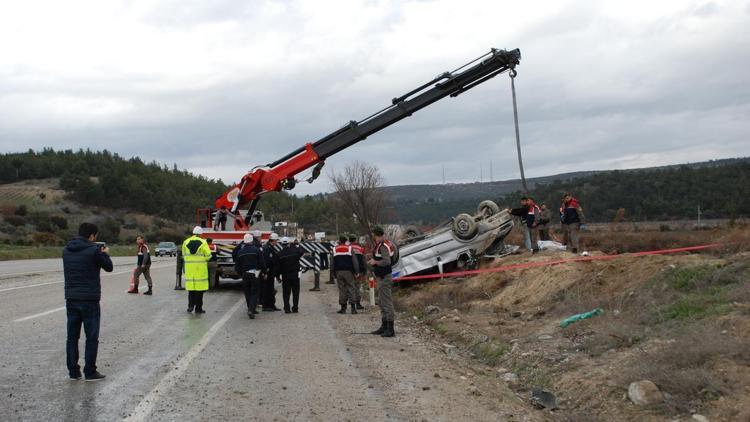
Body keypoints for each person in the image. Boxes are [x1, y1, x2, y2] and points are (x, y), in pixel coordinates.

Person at [63, 222, 113, 381]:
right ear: (92, 235)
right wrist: (105, 253)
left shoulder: (66, 250)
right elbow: (109, 267)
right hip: (89, 299)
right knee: (91, 337)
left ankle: (73, 372)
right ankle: (90, 371)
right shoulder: (94, 251)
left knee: (72, 337)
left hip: (71, 298)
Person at [368, 226, 397, 338]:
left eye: (374, 235)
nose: (374, 237)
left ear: (376, 235)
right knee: (382, 302)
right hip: (381, 276)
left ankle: (390, 329)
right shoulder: (383, 244)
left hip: (385, 277)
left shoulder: (383, 246)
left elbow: (386, 261)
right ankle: (384, 326)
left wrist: (375, 262)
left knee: (386, 303)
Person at [234, 234, 266, 319]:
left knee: (247, 292)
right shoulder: (257, 250)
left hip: (245, 274)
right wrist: (264, 272)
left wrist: (241, 273)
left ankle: (250, 308)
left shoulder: (240, 252)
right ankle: (251, 309)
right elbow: (262, 262)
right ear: (251, 241)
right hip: (255, 274)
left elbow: (237, 266)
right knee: (254, 292)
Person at [183, 226, 212, 314]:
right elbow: (208, 256)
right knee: (199, 291)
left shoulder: (185, 242)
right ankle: (198, 309)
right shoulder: (203, 242)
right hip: (200, 270)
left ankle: (190, 306)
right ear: (200, 234)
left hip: (190, 270)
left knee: (191, 290)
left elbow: (184, 255)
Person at [274, 237, 305, 313]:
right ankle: (295, 308)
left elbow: (277, 268)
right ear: (289, 243)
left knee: (286, 293)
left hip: (285, 276)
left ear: (281, 244)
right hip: (295, 275)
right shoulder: (295, 251)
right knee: (295, 292)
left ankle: (287, 308)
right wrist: (295, 245)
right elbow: (302, 251)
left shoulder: (279, 254)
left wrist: (278, 277)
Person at [332, 235, 361, 315]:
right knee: (351, 288)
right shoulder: (349, 248)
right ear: (345, 241)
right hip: (348, 272)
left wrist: (333, 273)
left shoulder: (334, 249)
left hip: (338, 272)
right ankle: (353, 308)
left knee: (342, 289)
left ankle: (343, 308)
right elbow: (354, 261)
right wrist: (356, 271)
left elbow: (332, 263)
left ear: (339, 241)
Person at [261, 233, 281, 311]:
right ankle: (266, 306)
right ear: (274, 240)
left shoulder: (271, 247)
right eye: (276, 241)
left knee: (271, 288)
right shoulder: (267, 248)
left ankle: (272, 305)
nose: (277, 242)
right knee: (267, 289)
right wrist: (265, 272)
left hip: (271, 271)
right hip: (268, 271)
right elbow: (266, 261)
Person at [349, 234, 366, 310]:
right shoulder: (360, 248)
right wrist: (364, 270)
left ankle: (352, 304)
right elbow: (364, 261)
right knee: (357, 287)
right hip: (359, 270)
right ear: (355, 240)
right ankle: (358, 304)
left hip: (350, 271)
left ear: (349, 240)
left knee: (351, 287)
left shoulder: (348, 248)